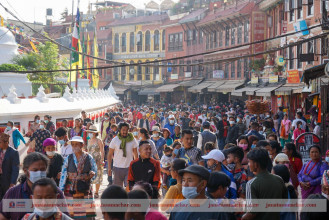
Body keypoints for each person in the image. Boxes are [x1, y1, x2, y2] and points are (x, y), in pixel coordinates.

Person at [0, 152, 67, 220]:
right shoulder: (13, 193)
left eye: (42, 170)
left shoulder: (55, 192)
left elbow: (64, 216)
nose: (40, 173)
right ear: (26, 171)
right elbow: (2, 216)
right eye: (35, 170)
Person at [242, 148, 287, 220]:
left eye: (249, 162)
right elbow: (284, 200)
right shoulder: (279, 179)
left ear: (256, 164)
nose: (248, 164)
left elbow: (252, 212)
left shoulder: (251, 184)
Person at [59, 136, 97, 219]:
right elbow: (64, 173)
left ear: (82, 145)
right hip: (71, 189)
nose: (74, 146)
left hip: (84, 187)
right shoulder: (69, 158)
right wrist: (61, 189)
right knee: (71, 213)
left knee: (86, 213)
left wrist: (91, 174)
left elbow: (94, 170)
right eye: (73, 144)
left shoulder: (89, 157)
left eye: (77, 144)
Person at [108, 122, 138, 187]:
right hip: (117, 168)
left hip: (129, 168)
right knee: (118, 190)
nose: (125, 132)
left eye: (127, 130)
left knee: (129, 188)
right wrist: (109, 168)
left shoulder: (132, 140)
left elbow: (135, 153)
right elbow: (110, 154)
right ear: (119, 130)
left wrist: (136, 166)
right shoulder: (115, 140)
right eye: (123, 130)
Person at [86, 125, 104, 198]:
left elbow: (102, 151)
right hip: (90, 160)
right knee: (90, 175)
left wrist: (102, 160)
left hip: (97, 160)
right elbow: (87, 150)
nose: (90, 133)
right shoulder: (88, 140)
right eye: (89, 132)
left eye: (91, 132)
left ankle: (96, 192)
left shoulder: (98, 140)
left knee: (98, 176)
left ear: (95, 133)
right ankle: (91, 190)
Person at [0, 133, 19, 200]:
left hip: (7, 180)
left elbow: (15, 169)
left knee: (7, 198)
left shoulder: (14, 153)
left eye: (0, 142)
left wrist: (13, 182)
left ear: (6, 143)